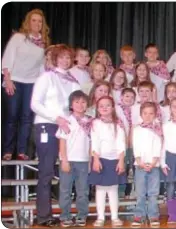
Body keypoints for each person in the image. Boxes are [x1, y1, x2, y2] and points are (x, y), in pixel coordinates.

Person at [30, 44, 80, 227]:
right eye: (62, 57)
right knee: (47, 171)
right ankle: (44, 215)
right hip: (47, 126)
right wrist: (55, 118)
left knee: (68, 170)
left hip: (67, 128)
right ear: (55, 59)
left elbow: (77, 106)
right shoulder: (47, 77)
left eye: (68, 57)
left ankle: (66, 212)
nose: (65, 61)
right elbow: (35, 104)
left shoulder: (74, 81)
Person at [2, 9, 50, 161]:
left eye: (40, 21)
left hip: (32, 83)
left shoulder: (43, 43)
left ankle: (22, 151)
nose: (37, 23)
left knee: (27, 118)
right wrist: (8, 79)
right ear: (28, 22)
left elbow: (42, 66)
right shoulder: (18, 37)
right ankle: (8, 150)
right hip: (14, 81)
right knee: (12, 116)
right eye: (34, 20)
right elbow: (7, 58)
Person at [88, 96, 127, 227]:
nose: (104, 108)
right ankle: (100, 217)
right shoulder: (95, 123)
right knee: (100, 189)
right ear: (97, 109)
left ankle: (115, 216)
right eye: (101, 106)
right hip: (100, 159)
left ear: (113, 107)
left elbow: (121, 143)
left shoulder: (118, 123)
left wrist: (121, 160)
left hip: (115, 160)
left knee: (113, 189)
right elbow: (95, 142)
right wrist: (96, 159)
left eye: (107, 105)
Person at [56, 90, 91, 227]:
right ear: (71, 105)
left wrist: (90, 160)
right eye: (77, 102)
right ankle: (65, 215)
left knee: (83, 190)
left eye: (83, 102)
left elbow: (91, 142)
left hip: (84, 160)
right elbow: (62, 141)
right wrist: (64, 160)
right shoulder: (67, 121)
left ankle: (82, 215)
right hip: (68, 160)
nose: (80, 104)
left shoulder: (89, 121)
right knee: (65, 190)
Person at [131, 102, 163, 227]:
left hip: (154, 166)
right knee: (140, 192)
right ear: (141, 114)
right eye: (145, 113)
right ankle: (139, 215)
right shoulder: (137, 129)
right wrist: (139, 161)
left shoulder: (157, 129)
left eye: (151, 113)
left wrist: (154, 162)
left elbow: (158, 146)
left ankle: (153, 215)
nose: (148, 116)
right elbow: (136, 146)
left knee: (153, 193)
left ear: (155, 115)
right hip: (140, 165)